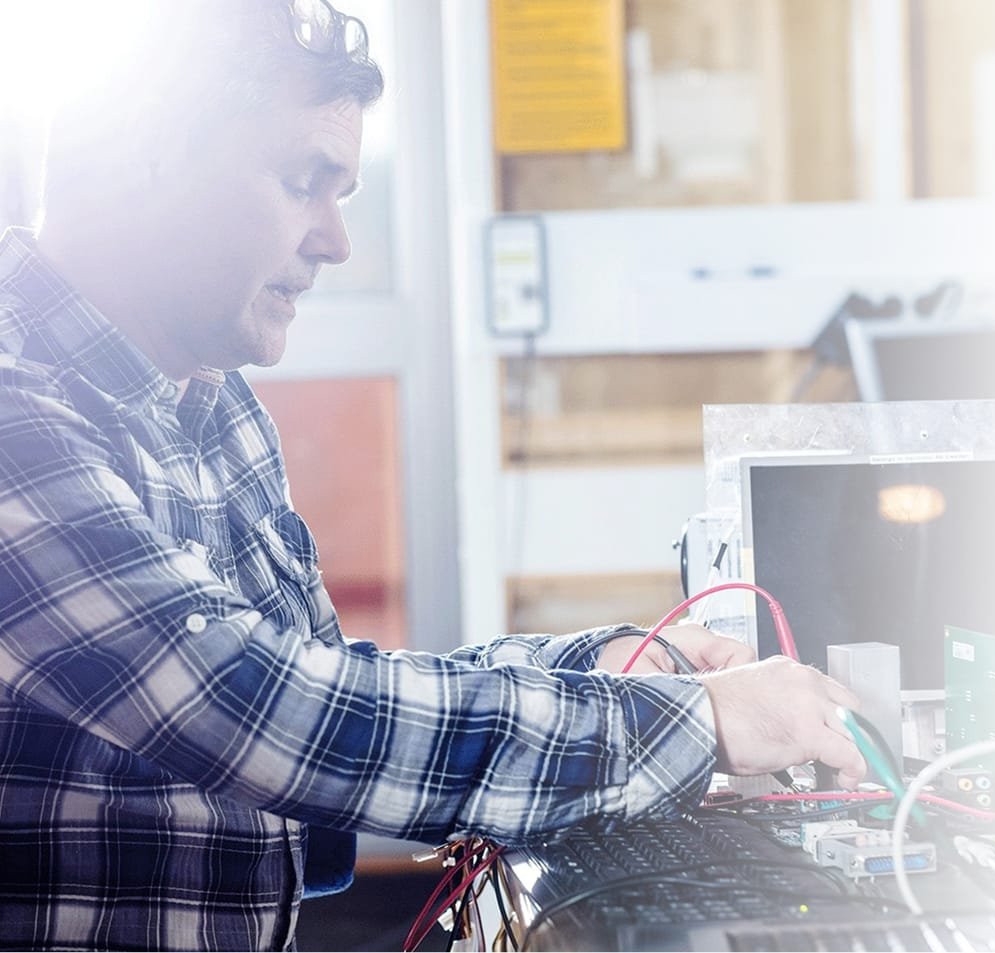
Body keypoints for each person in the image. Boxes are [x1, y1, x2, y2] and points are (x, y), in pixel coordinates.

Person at [0, 1, 866, 949]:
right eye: (302, 183)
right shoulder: (17, 417)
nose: (335, 242)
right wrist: (696, 724)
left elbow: (327, 682)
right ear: (145, 162)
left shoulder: (213, 398)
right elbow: (257, 708)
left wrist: (607, 667)